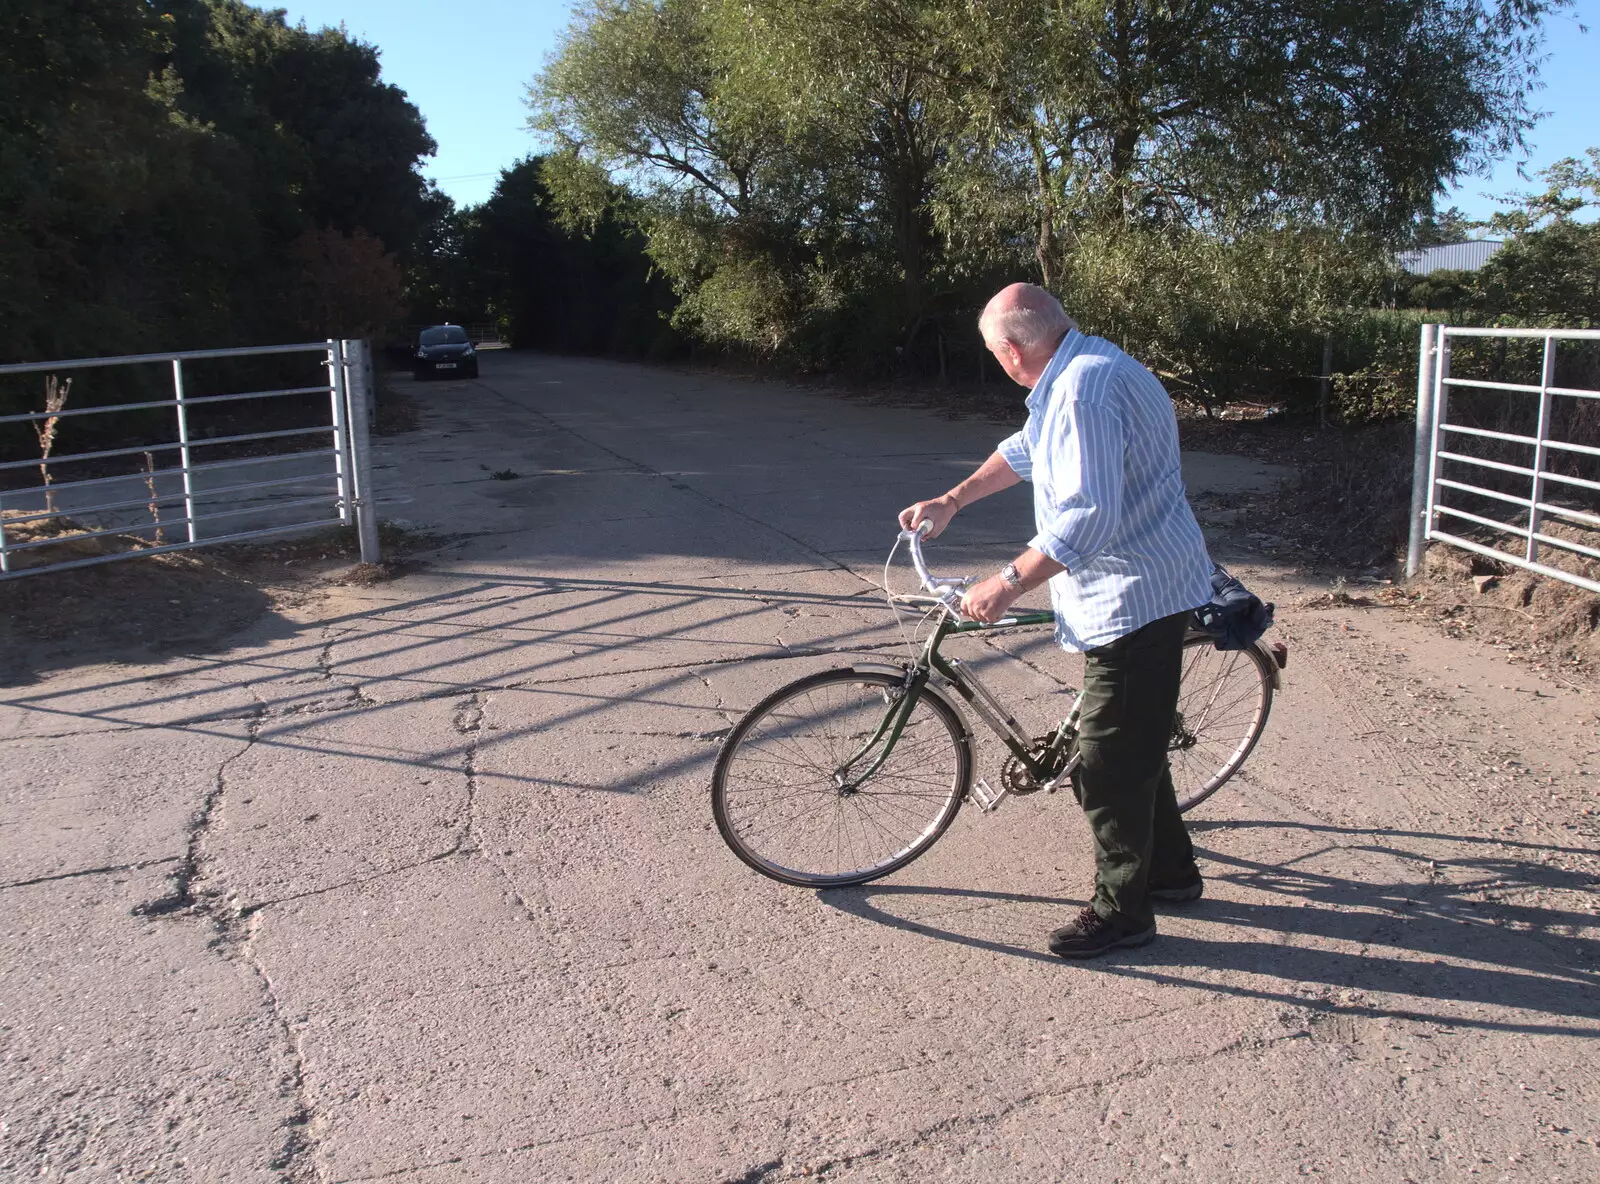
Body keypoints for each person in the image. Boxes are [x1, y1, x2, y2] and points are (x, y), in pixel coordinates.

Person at [899, 283, 1214, 959]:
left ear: (1011, 350)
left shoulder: (1084, 388)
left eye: (993, 353)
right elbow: (1027, 447)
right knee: (1132, 747)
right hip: (1139, 585)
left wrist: (1006, 584)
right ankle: (1172, 874)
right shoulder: (1082, 367)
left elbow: (1086, 515)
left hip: (1139, 596)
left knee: (1101, 766)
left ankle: (1122, 912)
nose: (997, 361)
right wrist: (953, 498)